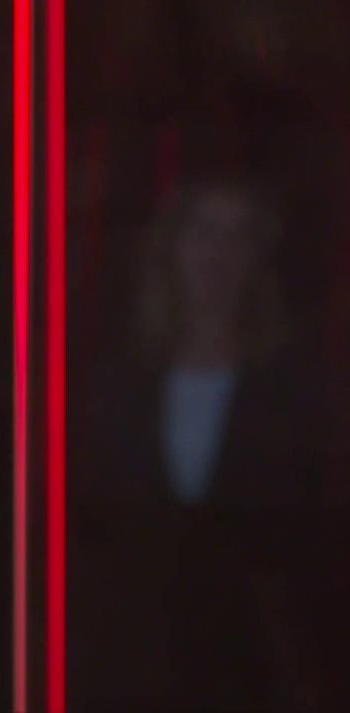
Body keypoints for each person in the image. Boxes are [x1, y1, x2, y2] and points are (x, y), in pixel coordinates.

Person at [71, 172, 332, 712]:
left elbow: (312, 531)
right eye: (205, 231)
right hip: (132, 655)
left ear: (257, 259)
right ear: (172, 249)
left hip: (255, 656)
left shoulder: (294, 384)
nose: (219, 253)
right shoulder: (118, 383)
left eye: (238, 236)